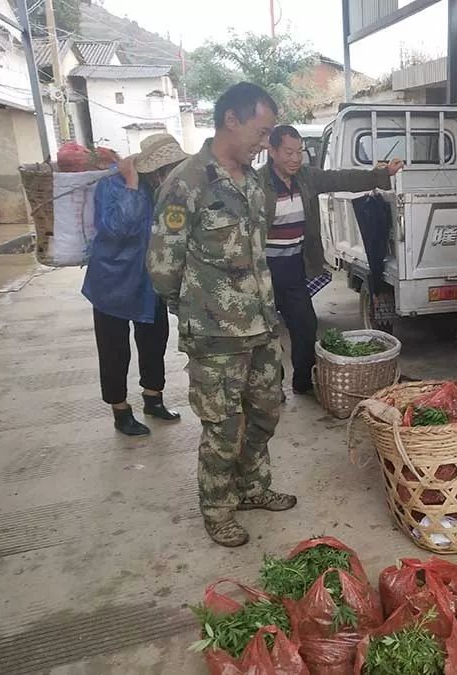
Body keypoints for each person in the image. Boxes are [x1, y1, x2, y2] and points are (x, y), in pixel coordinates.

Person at [147, 82, 294, 547]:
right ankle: (217, 508)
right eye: (263, 130)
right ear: (232, 119)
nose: (266, 142)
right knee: (223, 427)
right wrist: (194, 309)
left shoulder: (252, 182)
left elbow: (255, 253)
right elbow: (161, 268)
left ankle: (253, 488)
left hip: (261, 326)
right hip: (214, 334)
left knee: (267, 411)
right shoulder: (187, 182)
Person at [260, 125, 404, 396]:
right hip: (263, 272)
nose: (295, 158)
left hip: (294, 269)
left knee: (305, 326)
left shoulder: (306, 178)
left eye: (299, 152)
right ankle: (271, 388)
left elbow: (342, 179)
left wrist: (382, 174)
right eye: (288, 152)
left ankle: (303, 382)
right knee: (267, 335)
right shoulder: (257, 184)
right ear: (272, 151)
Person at [81, 133, 188, 436]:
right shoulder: (112, 187)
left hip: (150, 282)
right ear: (152, 169)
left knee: (154, 342)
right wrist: (130, 184)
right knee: (115, 351)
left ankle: (153, 399)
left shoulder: (168, 192)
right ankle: (120, 410)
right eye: (166, 168)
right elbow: (116, 230)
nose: (170, 173)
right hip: (112, 283)